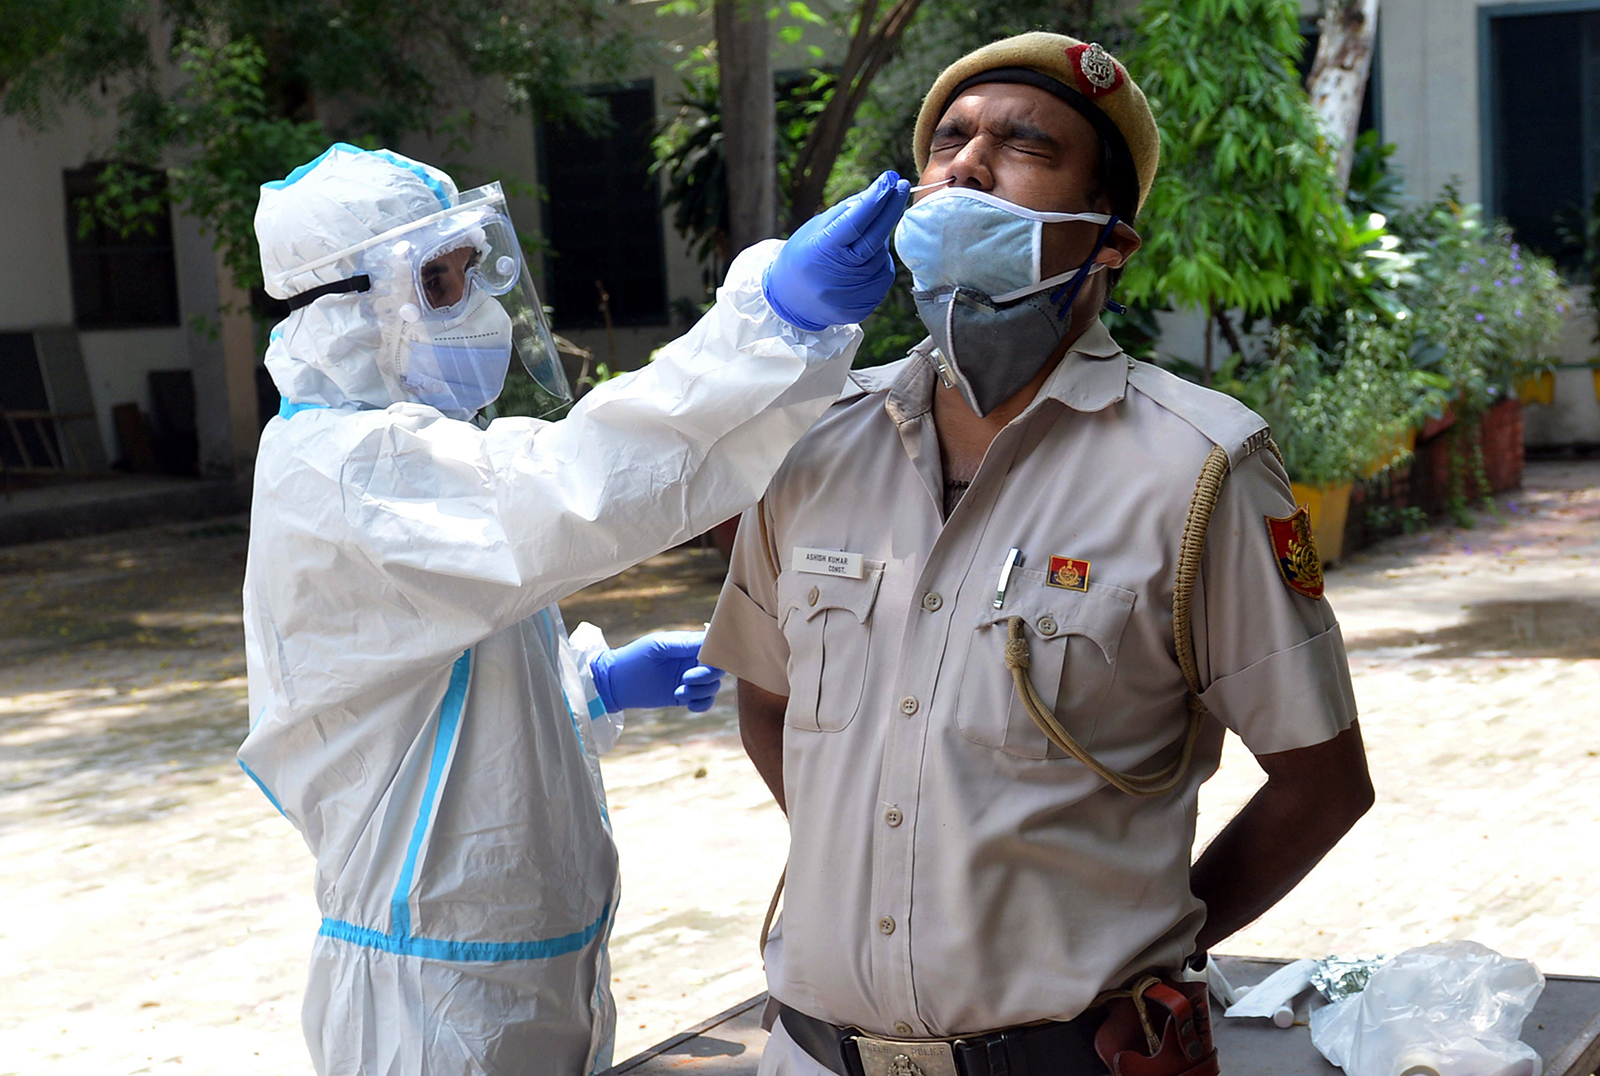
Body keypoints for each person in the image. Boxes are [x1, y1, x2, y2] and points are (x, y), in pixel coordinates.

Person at [701, 33, 1375, 1076]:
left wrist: (1157, 944)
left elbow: (1320, 781)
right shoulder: (812, 442)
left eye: (1023, 146)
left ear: (1109, 242)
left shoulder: (1199, 466)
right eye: (948, 143)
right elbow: (767, 697)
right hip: (812, 1054)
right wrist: (890, 856)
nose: (965, 165)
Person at [237, 142, 910, 1076]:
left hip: (514, 965)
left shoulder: (402, 457)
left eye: (473, 273)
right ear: (343, 309)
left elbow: (424, 694)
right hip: (433, 1005)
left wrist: (585, 687)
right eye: (439, 280)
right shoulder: (349, 471)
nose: (472, 308)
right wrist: (771, 321)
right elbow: (589, 484)